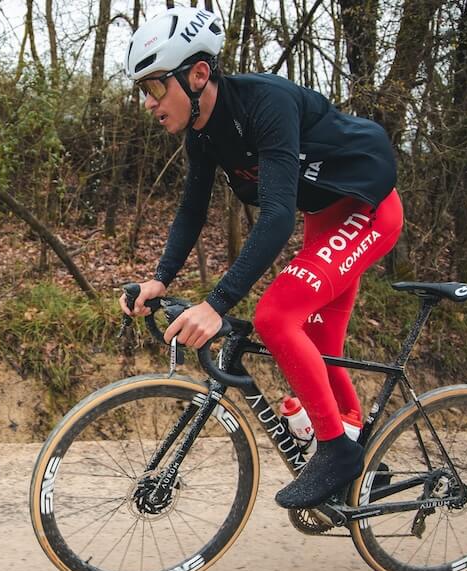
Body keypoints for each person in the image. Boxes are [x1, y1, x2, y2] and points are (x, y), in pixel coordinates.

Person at [120, 7, 403, 509]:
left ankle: (337, 451)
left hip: (368, 207)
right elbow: (191, 210)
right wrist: (160, 279)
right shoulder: (203, 134)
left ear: (198, 74)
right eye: (142, 90)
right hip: (326, 216)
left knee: (275, 316)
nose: (148, 102)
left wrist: (217, 303)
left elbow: (275, 217)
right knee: (319, 342)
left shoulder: (265, 103)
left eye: (156, 86)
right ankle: (365, 469)